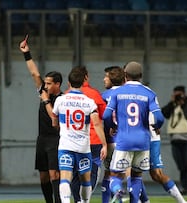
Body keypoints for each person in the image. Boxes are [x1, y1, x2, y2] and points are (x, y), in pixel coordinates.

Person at [103, 61, 164, 203]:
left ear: (125, 75)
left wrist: (112, 126)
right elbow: (159, 117)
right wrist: (156, 125)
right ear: (141, 76)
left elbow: (106, 115)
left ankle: (117, 190)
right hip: (143, 141)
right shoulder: (149, 93)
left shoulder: (118, 92)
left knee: (114, 174)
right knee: (137, 176)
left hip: (124, 140)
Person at [52, 68, 107, 203]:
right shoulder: (89, 102)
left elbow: (54, 121)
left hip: (66, 146)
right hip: (83, 147)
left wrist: (62, 127)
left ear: (69, 82)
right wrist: (104, 144)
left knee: (65, 177)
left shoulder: (60, 100)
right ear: (83, 82)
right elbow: (97, 124)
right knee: (85, 179)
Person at [19, 39, 62, 203]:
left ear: (57, 84)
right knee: (43, 175)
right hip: (42, 138)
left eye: (50, 84)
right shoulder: (44, 90)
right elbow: (34, 74)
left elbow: (54, 117)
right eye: (46, 83)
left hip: (55, 138)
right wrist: (26, 53)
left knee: (54, 174)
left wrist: (45, 101)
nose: (46, 86)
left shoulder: (62, 98)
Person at [100, 66, 125, 203]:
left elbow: (104, 116)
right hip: (126, 140)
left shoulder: (104, 96)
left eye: (106, 77)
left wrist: (111, 127)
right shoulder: (128, 94)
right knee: (122, 174)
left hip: (110, 140)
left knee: (109, 173)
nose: (104, 79)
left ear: (112, 78)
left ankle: (111, 199)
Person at [161, 86, 187, 194]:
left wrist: (184, 101)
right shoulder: (173, 105)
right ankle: (185, 186)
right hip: (174, 138)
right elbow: (164, 113)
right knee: (181, 165)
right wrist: (172, 102)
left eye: (180, 94)